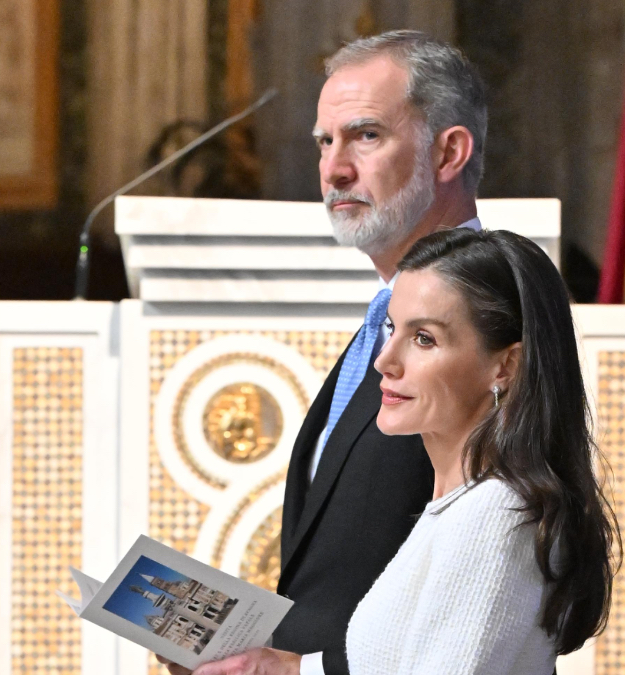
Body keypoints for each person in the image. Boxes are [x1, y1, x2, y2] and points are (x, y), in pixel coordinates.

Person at [160, 30, 491, 675]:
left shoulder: (487, 319)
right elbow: (353, 566)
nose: (335, 168)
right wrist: (242, 643)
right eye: (324, 141)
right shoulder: (386, 320)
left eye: (366, 135)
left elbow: (478, 582)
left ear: (448, 152)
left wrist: (294, 667)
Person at [178, 228, 620, 675]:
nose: (384, 361)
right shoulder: (458, 505)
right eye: (392, 328)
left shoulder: (494, 513)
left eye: (424, 338)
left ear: (505, 366)